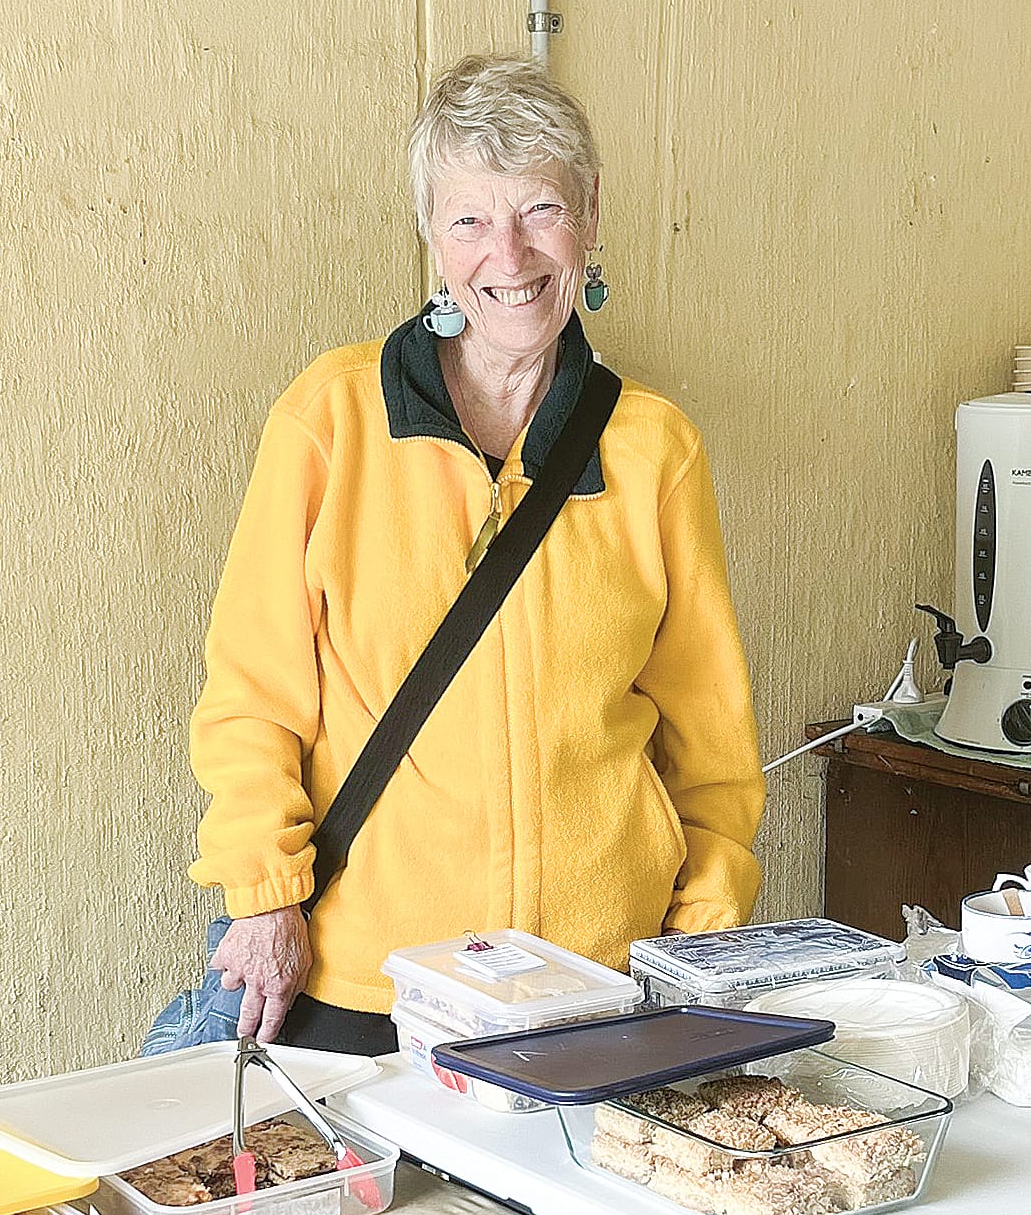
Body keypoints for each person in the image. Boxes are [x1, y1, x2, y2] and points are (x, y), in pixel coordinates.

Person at [182, 54, 765, 1056]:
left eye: (541, 208)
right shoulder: (332, 419)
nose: (509, 253)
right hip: (369, 983)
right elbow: (253, 695)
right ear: (430, 235)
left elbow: (711, 740)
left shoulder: (655, 449)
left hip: (594, 985)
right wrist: (265, 894)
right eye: (469, 219)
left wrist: (701, 936)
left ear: (590, 214)